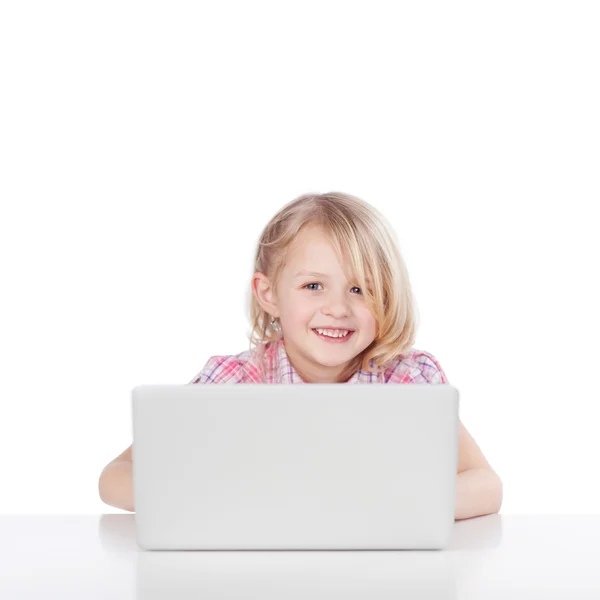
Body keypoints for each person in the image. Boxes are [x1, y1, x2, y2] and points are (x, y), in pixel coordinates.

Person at [99, 191, 502, 518]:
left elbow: (485, 485)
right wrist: (228, 498)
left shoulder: (407, 379)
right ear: (268, 294)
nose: (338, 308)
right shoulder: (236, 382)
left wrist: (384, 505)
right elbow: (116, 478)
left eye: (360, 289)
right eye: (313, 286)